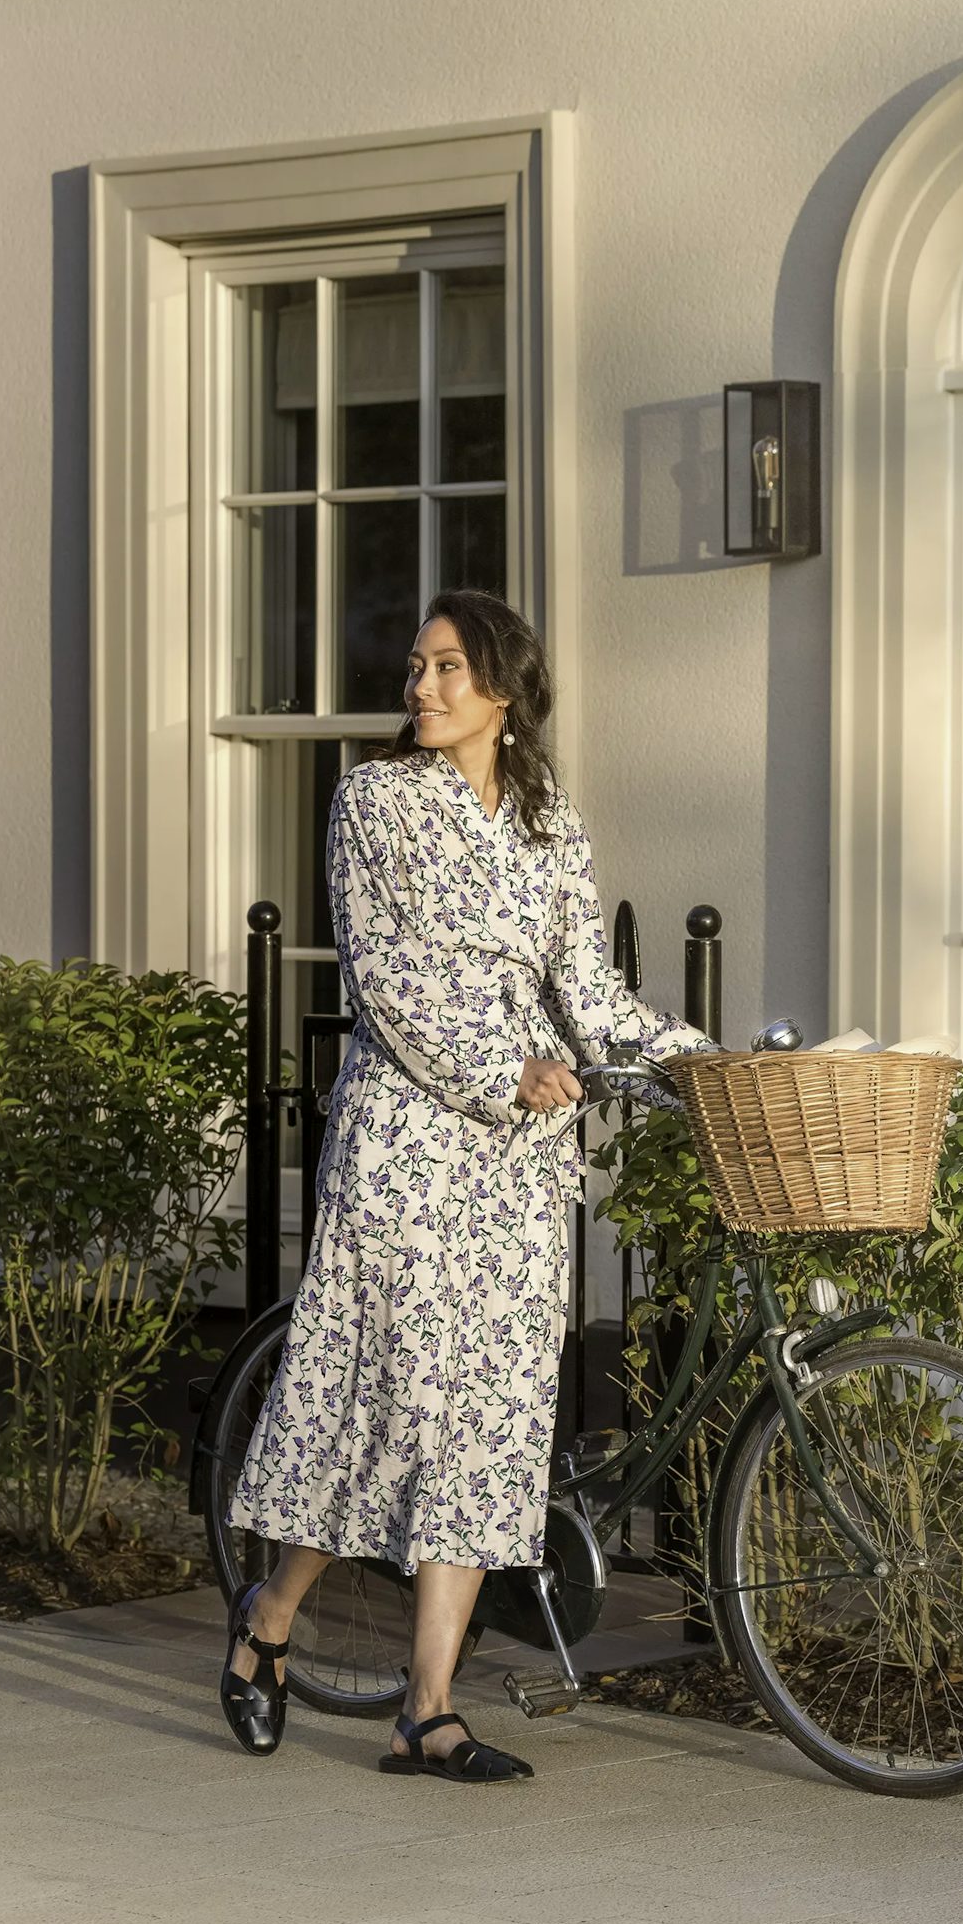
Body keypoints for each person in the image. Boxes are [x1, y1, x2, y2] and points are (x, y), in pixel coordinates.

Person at [218, 589, 716, 1784]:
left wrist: (700, 1064)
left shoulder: (551, 822)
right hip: (407, 1140)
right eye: (417, 666)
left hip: (521, 1164)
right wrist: (504, 1070)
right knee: (384, 1404)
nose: (423, 686)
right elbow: (384, 980)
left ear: (504, 689)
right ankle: (269, 1617)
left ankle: (427, 1712)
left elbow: (587, 991)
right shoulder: (374, 801)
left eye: (448, 667)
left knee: (490, 1416)